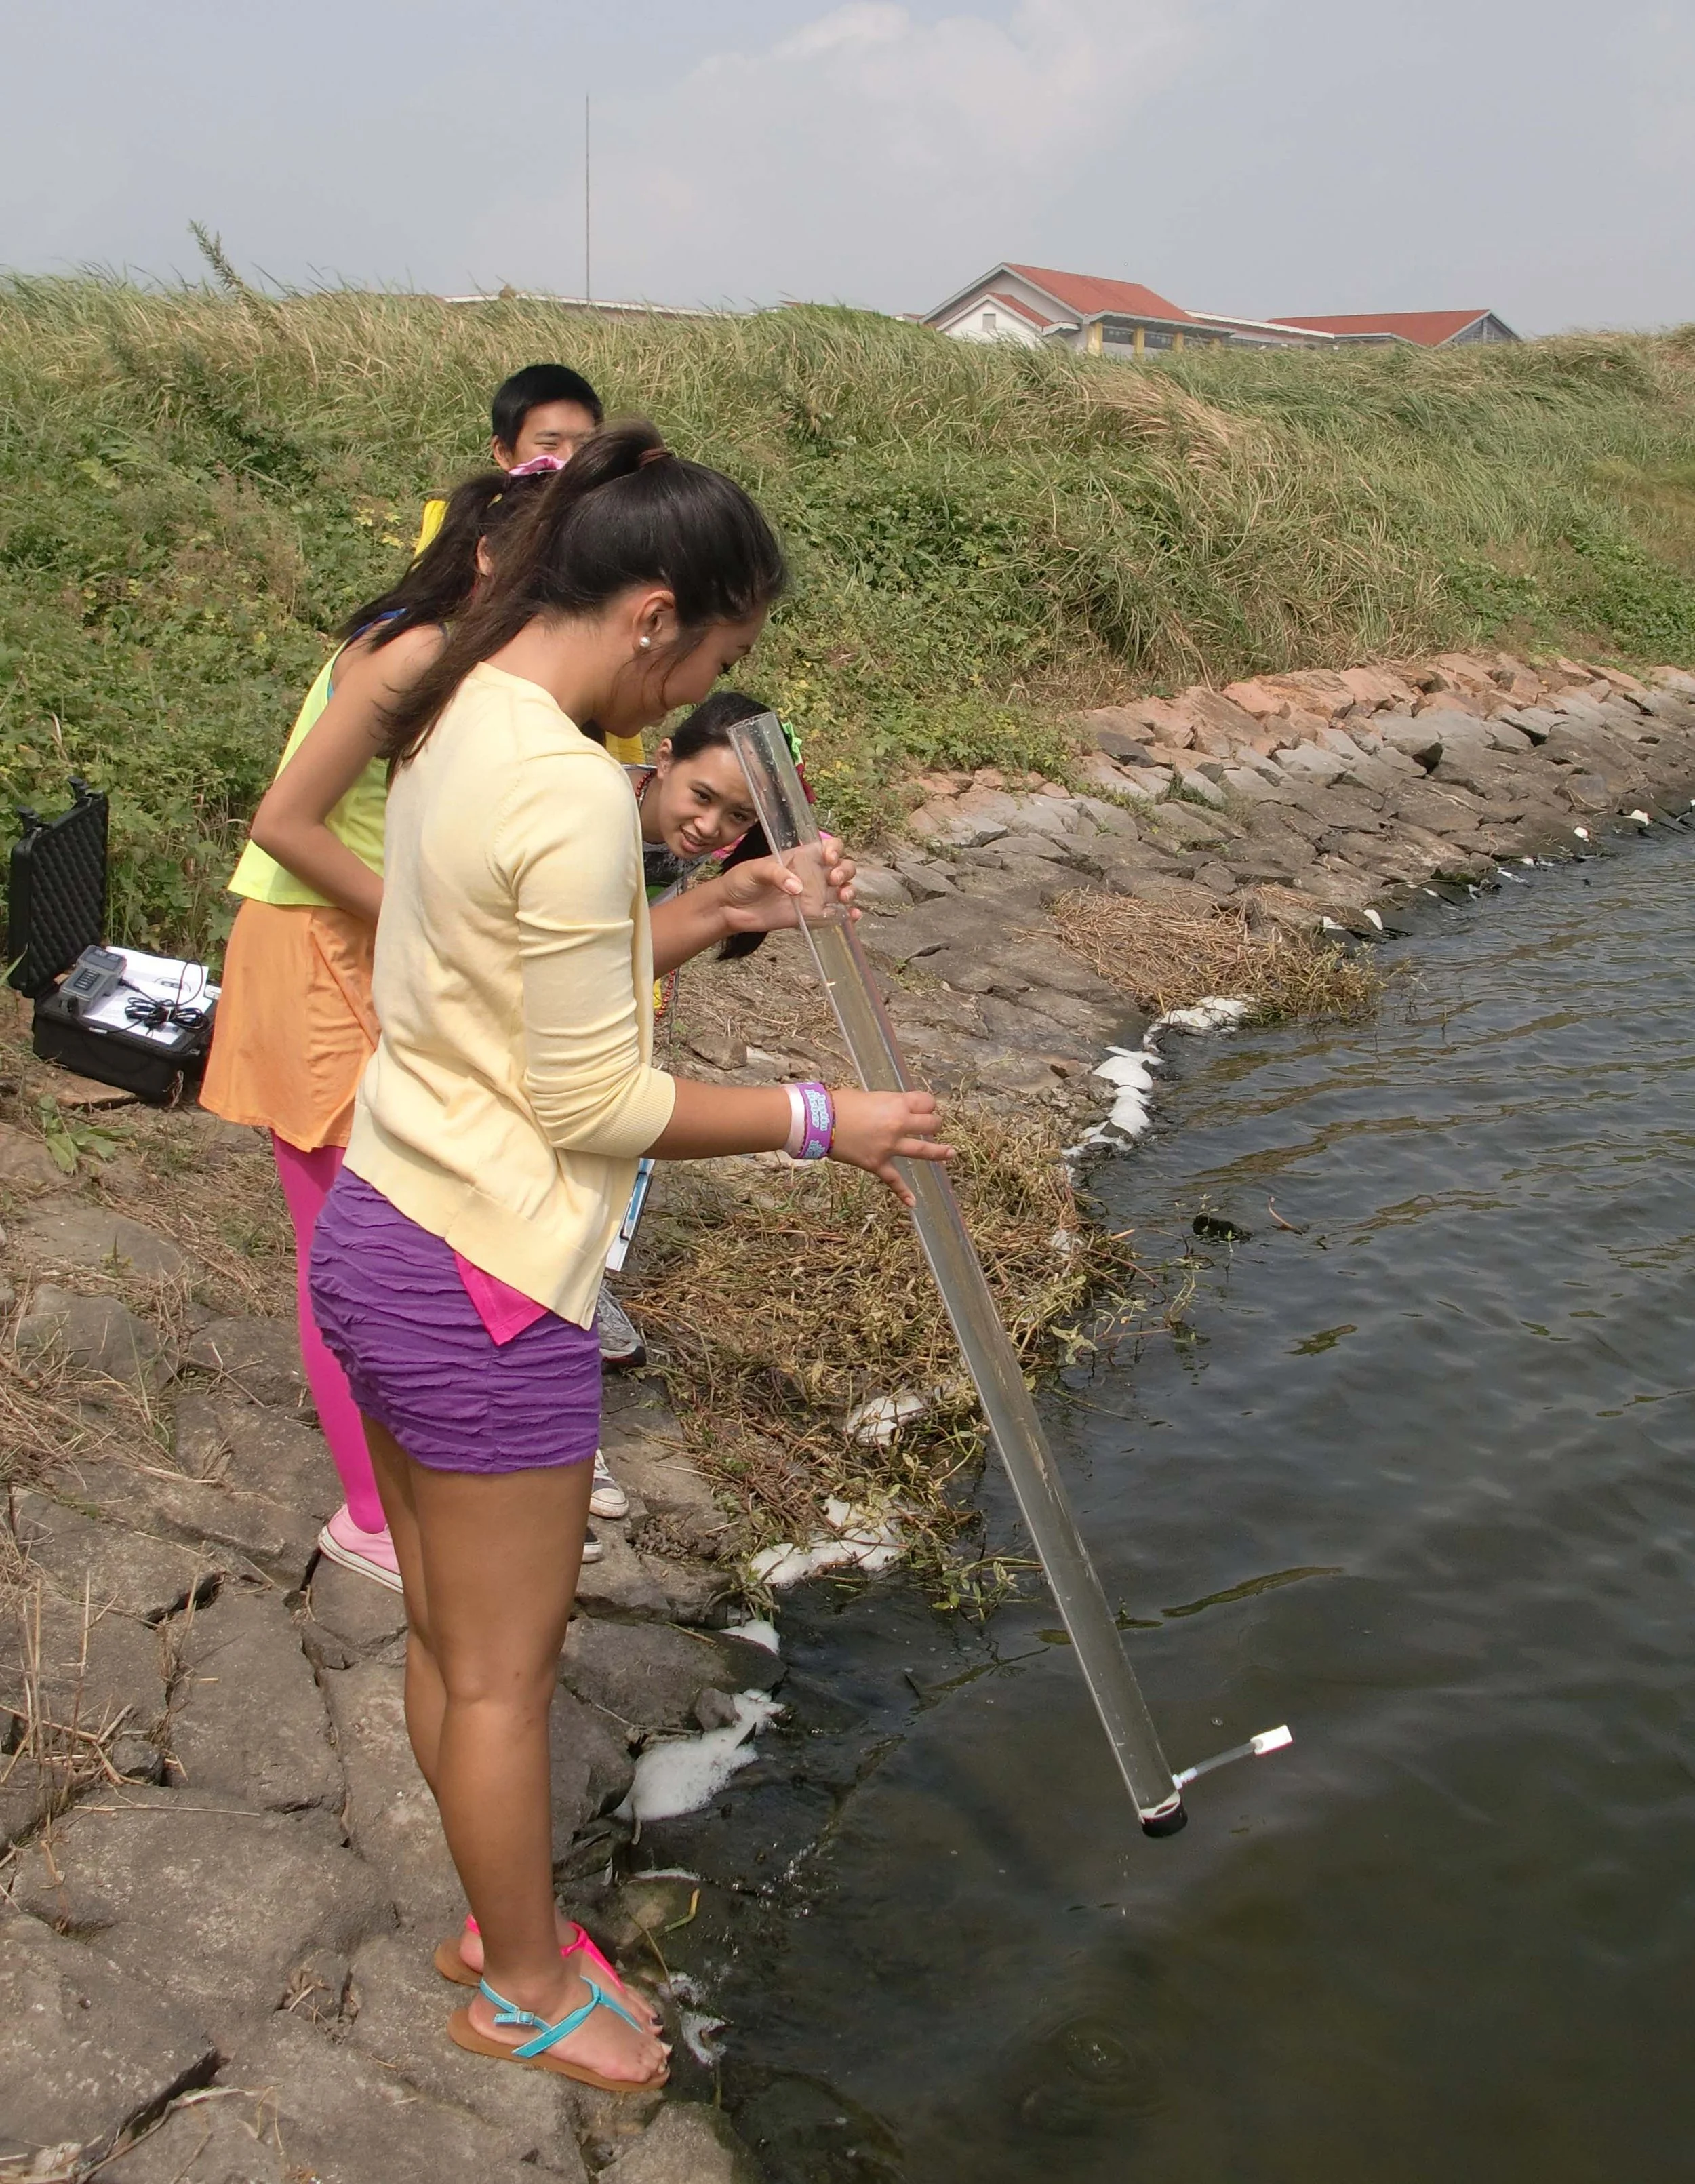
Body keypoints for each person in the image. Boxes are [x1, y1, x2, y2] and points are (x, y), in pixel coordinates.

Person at [308, 421, 951, 2091]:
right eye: (713, 662)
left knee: (446, 1641)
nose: (695, 699)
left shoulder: (460, 703)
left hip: (383, 1221)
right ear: (654, 613)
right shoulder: (573, 788)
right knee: (504, 1674)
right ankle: (523, 1984)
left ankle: (495, 1924)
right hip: (487, 1279)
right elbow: (595, 1097)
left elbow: (529, 970)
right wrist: (823, 1117)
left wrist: (734, 904)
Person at [201, 462, 578, 1590]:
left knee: (381, 1237)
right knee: (341, 1250)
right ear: (486, 555)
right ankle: (370, 1517)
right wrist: (424, 922)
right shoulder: (412, 650)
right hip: (313, 951)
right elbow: (287, 823)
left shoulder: (453, 653)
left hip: (362, 950)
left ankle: (409, 1489)